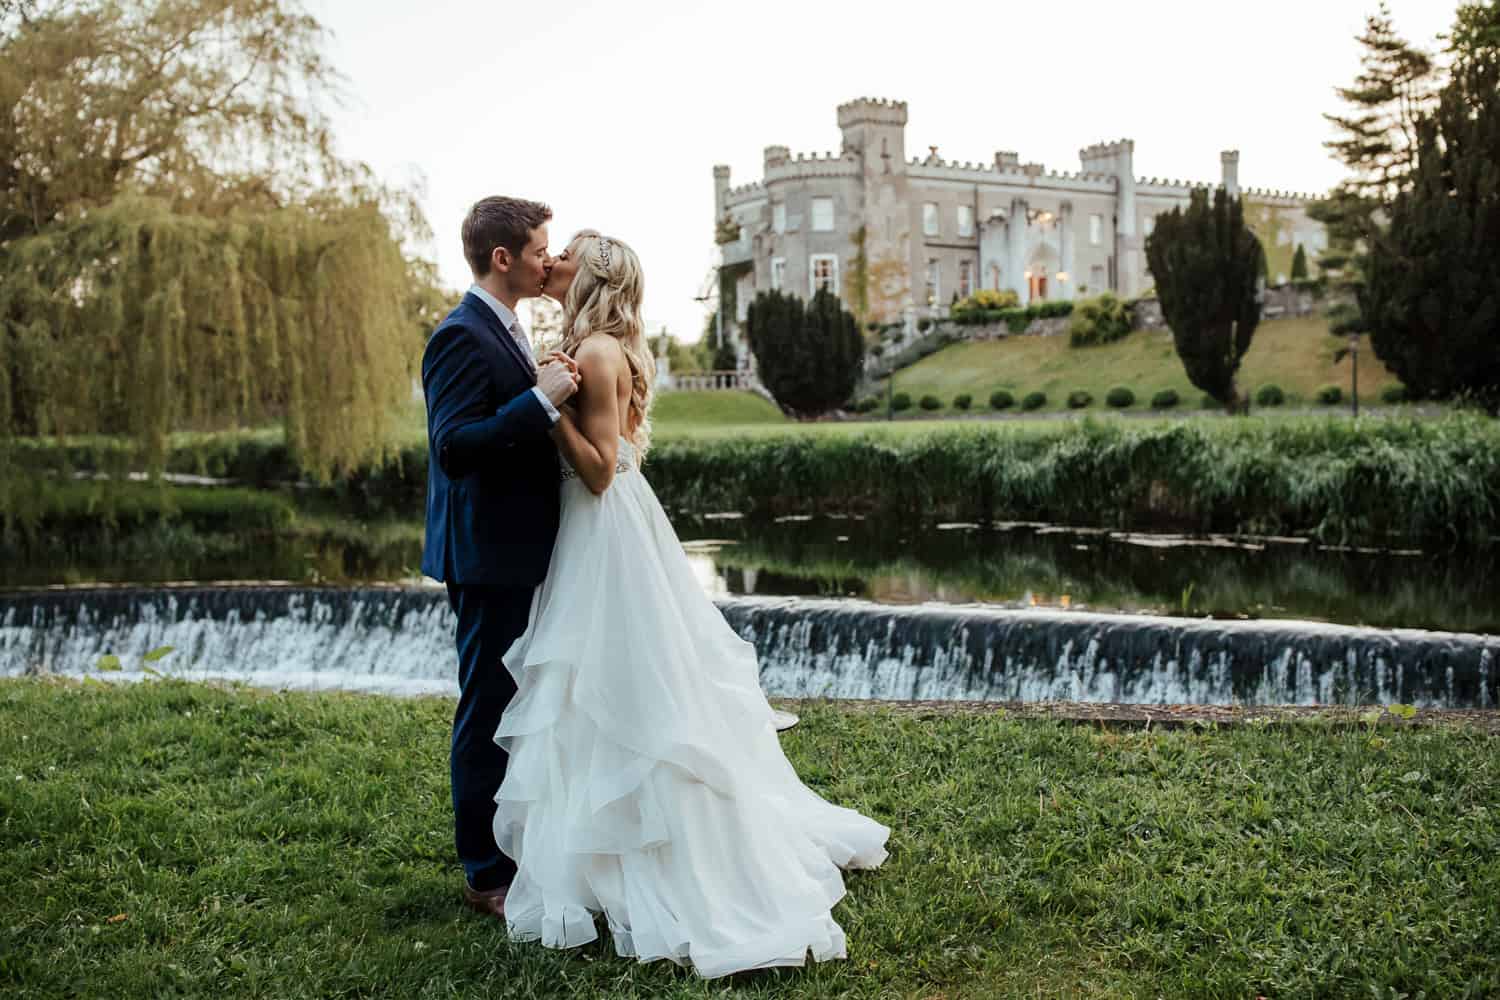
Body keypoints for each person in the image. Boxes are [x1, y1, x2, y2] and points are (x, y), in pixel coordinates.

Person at [491, 230, 889, 979]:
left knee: (621, 689)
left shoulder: (601, 353)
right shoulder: (594, 342)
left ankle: (662, 858)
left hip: (605, 530)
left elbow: (604, 471)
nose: (556, 259)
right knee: (598, 688)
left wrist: (547, 409)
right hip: (599, 532)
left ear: (594, 272)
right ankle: (597, 857)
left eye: (568, 250)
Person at [419, 196, 581, 918]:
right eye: (541, 249)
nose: (550, 259)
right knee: (487, 706)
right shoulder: (459, 334)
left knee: (515, 701)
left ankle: (519, 845)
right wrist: (540, 401)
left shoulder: (509, 326)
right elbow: (455, 446)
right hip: (486, 553)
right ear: (503, 258)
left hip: (518, 547)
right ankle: (486, 872)